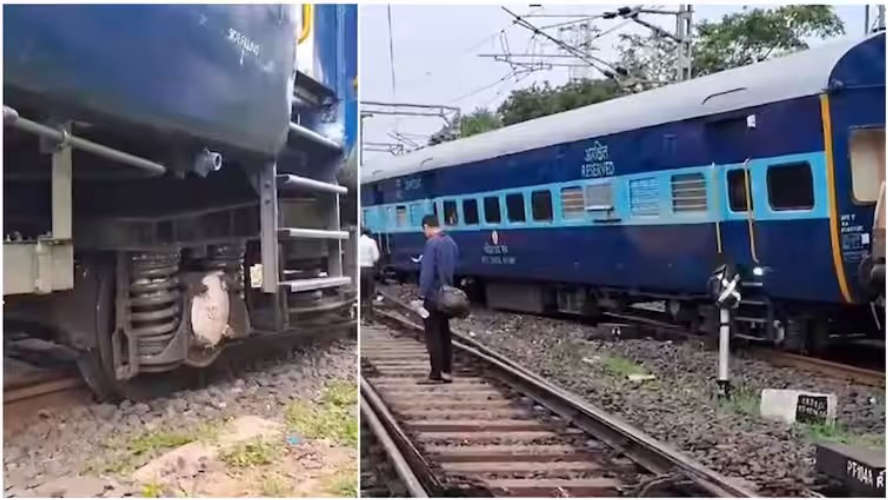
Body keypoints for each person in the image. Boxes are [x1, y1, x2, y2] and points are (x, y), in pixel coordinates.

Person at [416, 214, 458, 383]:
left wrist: (421, 296)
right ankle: (447, 371)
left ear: (427, 227)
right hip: (447, 295)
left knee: (433, 335)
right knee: (444, 333)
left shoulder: (432, 244)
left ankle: (435, 374)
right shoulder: (451, 242)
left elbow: (427, 273)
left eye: (424, 230)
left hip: (433, 296)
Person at [358, 227, 380, 322]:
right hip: (368, 270)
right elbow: (376, 257)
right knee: (369, 294)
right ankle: (368, 318)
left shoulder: (357, 241)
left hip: (358, 269)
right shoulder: (371, 242)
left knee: (360, 294)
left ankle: (358, 316)